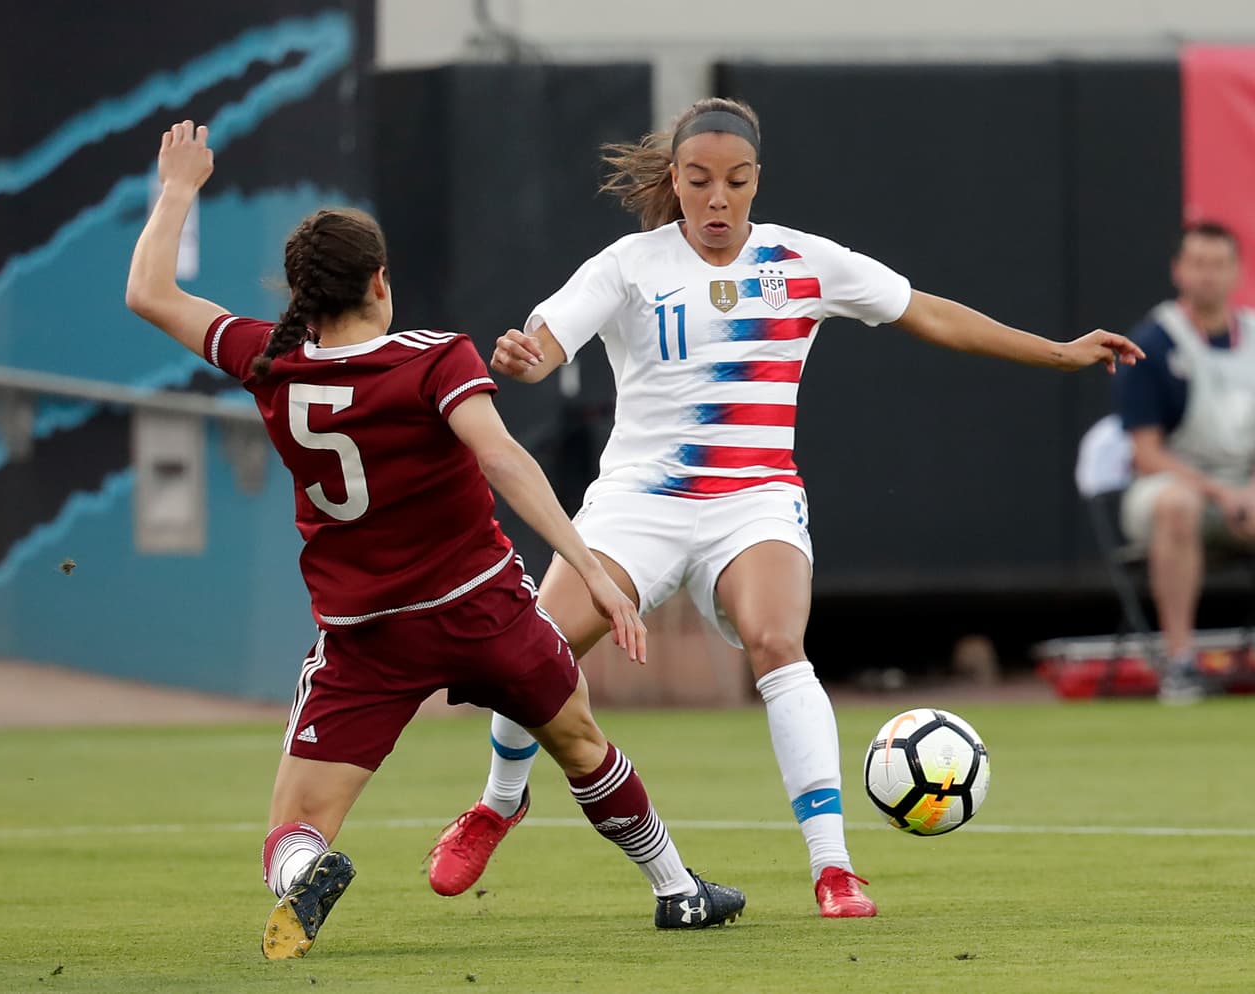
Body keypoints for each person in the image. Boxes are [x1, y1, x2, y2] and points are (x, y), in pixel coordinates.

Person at [426, 97, 1144, 917]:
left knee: (776, 642)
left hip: (753, 500)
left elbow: (931, 312)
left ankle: (833, 869)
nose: (717, 200)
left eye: (735, 181)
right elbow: (546, 338)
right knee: (533, 653)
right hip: (640, 502)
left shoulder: (804, 262)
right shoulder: (629, 264)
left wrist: (1058, 353)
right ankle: (498, 802)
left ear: (757, 180)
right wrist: (524, 358)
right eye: (699, 182)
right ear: (676, 179)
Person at [125, 121, 746, 960]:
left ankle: (310, 872)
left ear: (300, 293)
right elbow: (504, 460)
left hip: (365, 636)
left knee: (293, 828)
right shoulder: (431, 359)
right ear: (381, 281)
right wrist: (592, 568)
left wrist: (178, 189)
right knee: (581, 745)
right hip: (482, 609)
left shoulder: (267, 361)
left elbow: (149, 293)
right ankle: (677, 889)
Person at [1115, 220, 1255, 703]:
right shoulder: (1153, 342)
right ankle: (1180, 662)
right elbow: (1147, 454)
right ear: (1178, 270)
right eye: (1198, 263)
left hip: (1244, 491)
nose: (1208, 275)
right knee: (1179, 506)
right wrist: (1222, 493)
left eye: (1218, 264)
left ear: (1236, 272)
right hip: (1169, 489)